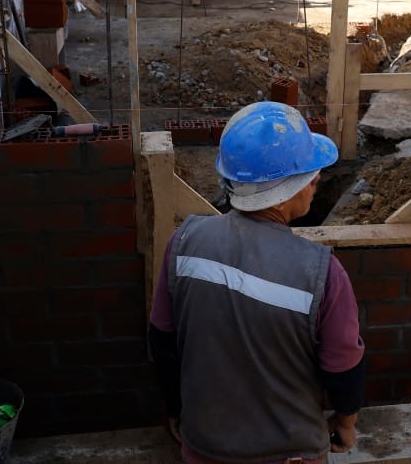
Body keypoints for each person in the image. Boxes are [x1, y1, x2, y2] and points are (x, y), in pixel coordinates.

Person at [149, 101, 365, 463]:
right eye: (312, 175)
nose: (317, 183)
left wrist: (177, 409)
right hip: (290, 454)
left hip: (204, 446)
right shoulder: (323, 273)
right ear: (290, 189)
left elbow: (162, 342)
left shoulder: (184, 242)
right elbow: (343, 369)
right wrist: (346, 423)